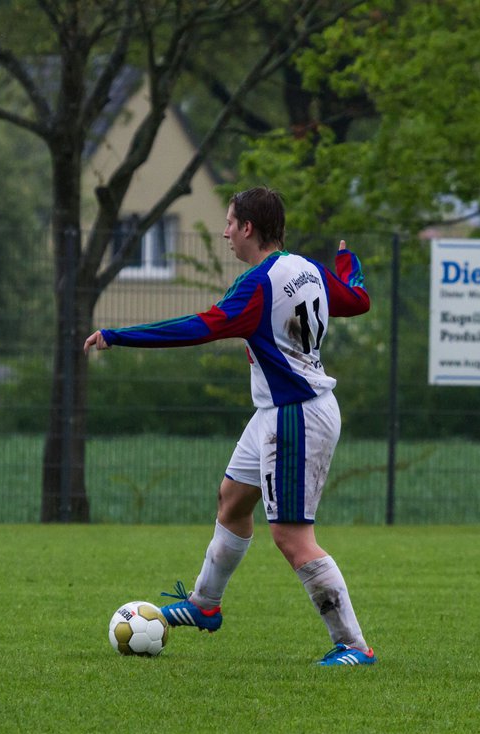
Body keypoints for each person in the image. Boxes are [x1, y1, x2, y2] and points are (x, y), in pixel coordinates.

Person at [83, 187, 375, 666]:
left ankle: (354, 646)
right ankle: (205, 604)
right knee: (232, 498)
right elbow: (358, 300)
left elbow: (198, 327)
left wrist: (119, 336)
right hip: (276, 411)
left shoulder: (256, 286)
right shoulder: (309, 270)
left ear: (248, 228)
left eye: (229, 224)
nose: (224, 233)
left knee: (292, 538)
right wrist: (346, 265)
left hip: (296, 415)